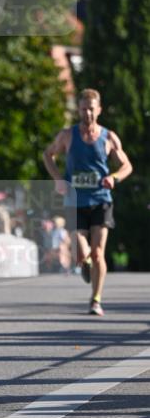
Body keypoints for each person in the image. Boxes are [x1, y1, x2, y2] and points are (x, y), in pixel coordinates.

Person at [43, 88, 133, 316]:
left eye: (92, 109)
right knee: (82, 254)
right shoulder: (67, 135)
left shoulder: (109, 137)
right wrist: (58, 179)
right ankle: (84, 265)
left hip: (101, 200)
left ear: (99, 110)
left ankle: (96, 299)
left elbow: (127, 166)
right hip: (75, 201)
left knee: (98, 252)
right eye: (84, 109)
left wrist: (114, 178)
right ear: (79, 110)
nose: (88, 114)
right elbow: (48, 154)